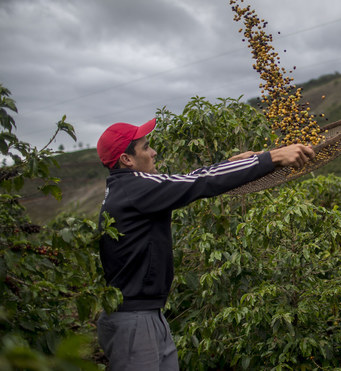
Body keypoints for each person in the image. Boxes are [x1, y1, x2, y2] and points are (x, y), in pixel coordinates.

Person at [95, 118, 314, 370]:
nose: (153, 152)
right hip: (135, 320)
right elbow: (200, 183)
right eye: (145, 148)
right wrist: (270, 158)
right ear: (127, 160)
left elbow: (190, 179)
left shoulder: (127, 188)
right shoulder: (136, 188)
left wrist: (233, 164)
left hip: (146, 314)